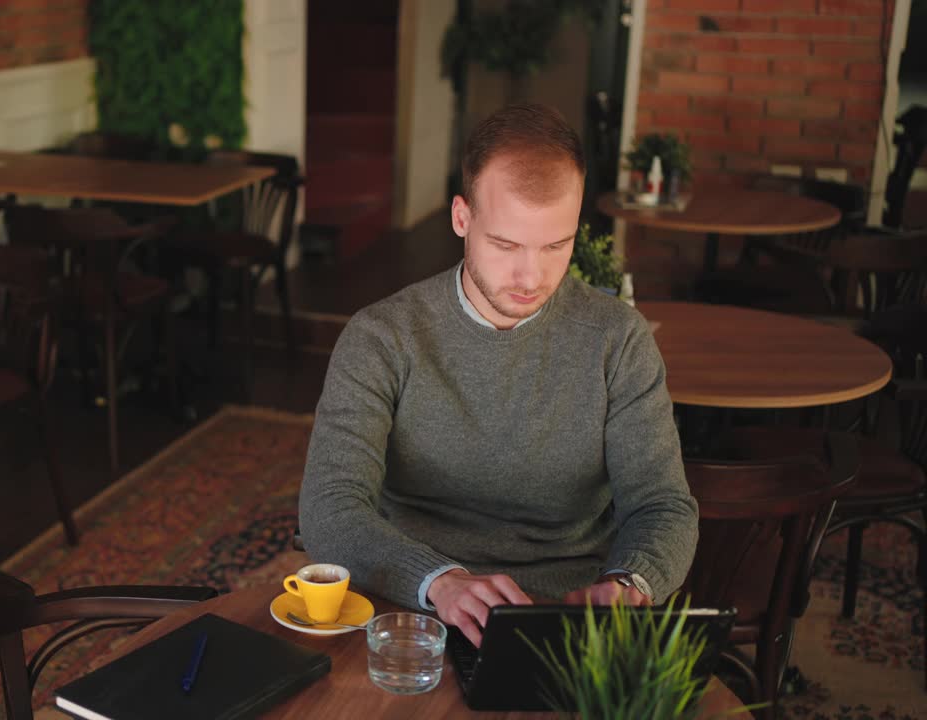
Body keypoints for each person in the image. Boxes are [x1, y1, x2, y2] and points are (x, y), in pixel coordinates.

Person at [298, 103, 698, 647]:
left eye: (557, 245)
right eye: (506, 245)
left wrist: (630, 581)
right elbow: (330, 506)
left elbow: (661, 503)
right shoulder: (380, 337)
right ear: (462, 218)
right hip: (410, 612)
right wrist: (439, 580)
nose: (531, 277)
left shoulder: (618, 340)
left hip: (565, 620)